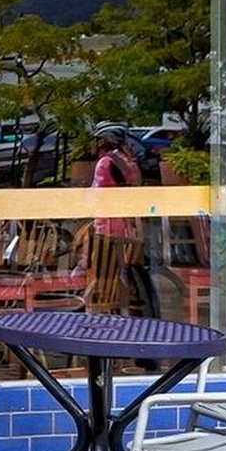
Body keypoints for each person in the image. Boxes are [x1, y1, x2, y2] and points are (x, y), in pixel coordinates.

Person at [83, 124, 150, 316]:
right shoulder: (127, 161)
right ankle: (117, 307)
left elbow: (96, 195)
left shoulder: (106, 162)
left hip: (106, 226)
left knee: (100, 273)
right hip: (126, 228)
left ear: (104, 141)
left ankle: (99, 308)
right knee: (118, 274)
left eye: (97, 140)